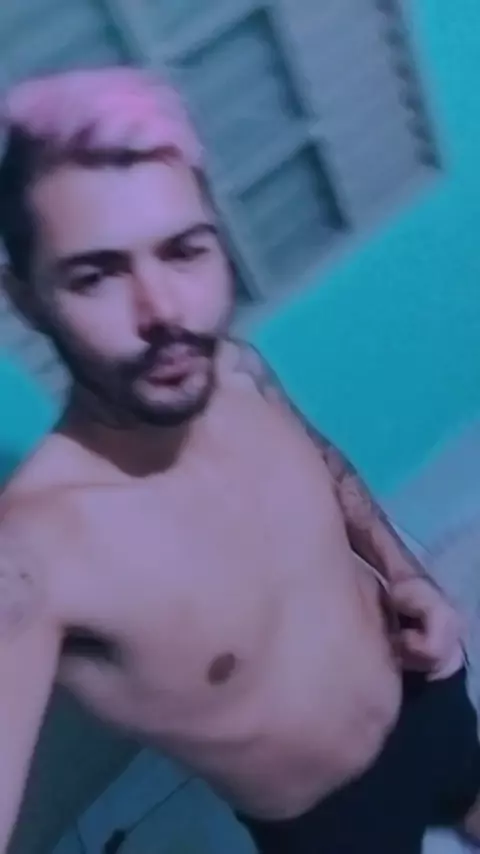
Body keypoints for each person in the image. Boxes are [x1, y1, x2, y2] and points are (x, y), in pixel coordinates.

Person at [0, 67, 477, 854]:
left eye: (184, 251)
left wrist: (407, 575)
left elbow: (329, 468)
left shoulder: (237, 369)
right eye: (97, 274)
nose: (165, 312)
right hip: (334, 822)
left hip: (428, 689)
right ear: (27, 300)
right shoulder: (33, 555)